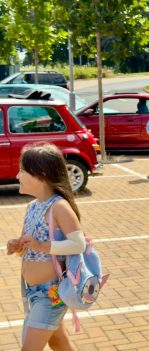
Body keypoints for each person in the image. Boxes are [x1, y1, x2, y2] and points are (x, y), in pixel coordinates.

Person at [6, 143, 86, 351]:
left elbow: (78, 244)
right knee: (58, 342)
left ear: (40, 174)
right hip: (31, 291)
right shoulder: (32, 207)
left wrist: (42, 245)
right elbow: (28, 247)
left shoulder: (59, 207)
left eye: (22, 171)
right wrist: (16, 245)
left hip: (50, 294)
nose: (17, 176)